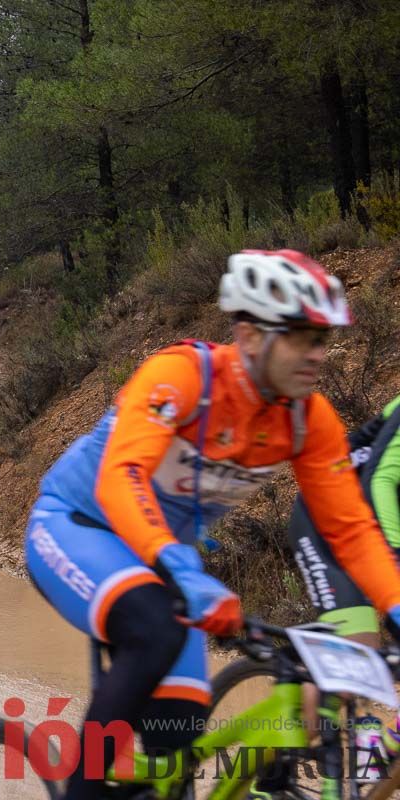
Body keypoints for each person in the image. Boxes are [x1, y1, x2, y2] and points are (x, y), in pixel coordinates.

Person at [23, 249, 400, 800]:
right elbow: (121, 476)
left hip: (164, 559)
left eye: (322, 338)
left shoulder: (307, 419)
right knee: (155, 631)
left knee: (177, 732)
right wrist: (182, 571)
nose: (316, 353)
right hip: (80, 527)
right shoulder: (182, 376)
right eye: (299, 335)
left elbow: (349, 531)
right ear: (249, 335)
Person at [288, 392, 400, 768]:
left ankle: (383, 744)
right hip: (327, 522)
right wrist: (394, 557)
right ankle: (273, 770)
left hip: (375, 529)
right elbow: (381, 480)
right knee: (356, 649)